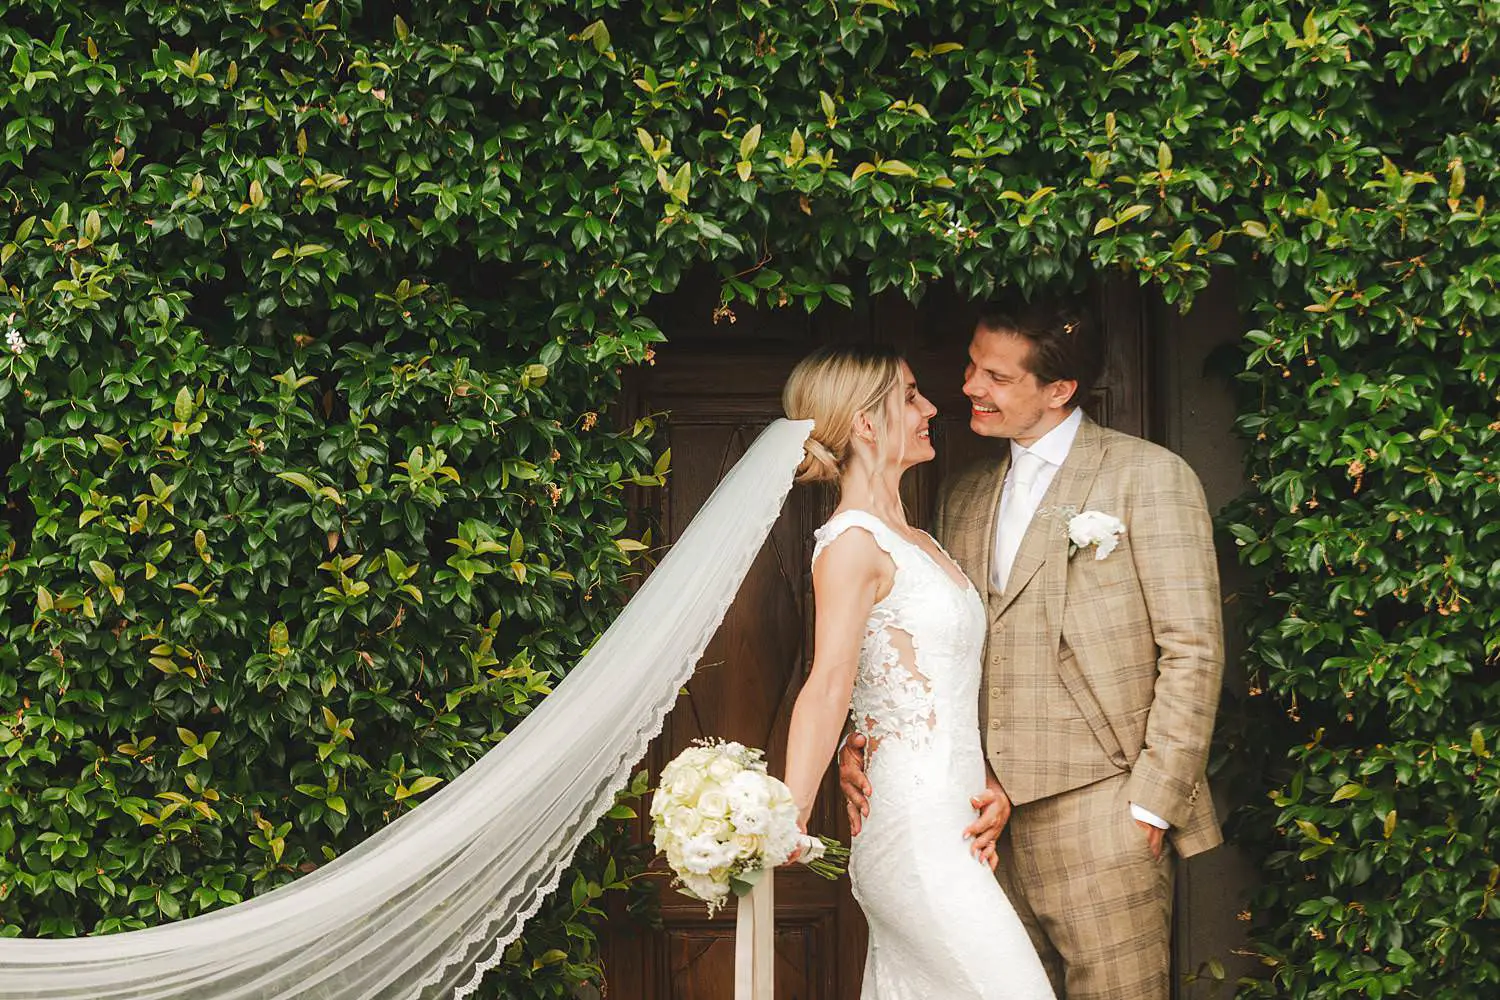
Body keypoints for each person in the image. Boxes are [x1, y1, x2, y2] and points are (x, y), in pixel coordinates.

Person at [839, 304, 1225, 999]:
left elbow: (1192, 650)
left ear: (1059, 390)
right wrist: (867, 736)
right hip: (974, 826)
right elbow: (929, 640)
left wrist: (1150, 806)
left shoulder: (1150, 477)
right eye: (970, 365)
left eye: (996, 376)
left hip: (1102, 812)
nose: (968, 388)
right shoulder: (964, 493)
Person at [779, 345, 1055, 1000]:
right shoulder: (850, 544)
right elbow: (828, 683)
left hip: (956, 828)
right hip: (913, 836)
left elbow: (933, 685)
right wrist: (787, 811)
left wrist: (984, 775)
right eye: (910, 395)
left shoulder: (921, 541)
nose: (932, 407)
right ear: (867, 424)